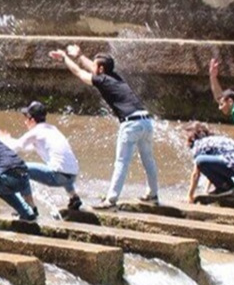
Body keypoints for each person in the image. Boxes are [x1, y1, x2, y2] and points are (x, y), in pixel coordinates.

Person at [50, 43, 159, 209]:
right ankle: (153, 193)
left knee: (121, 163)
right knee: (148, 160)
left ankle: (111, 200)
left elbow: (80, 73)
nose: (93, 67)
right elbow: (91, 68)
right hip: (145, 121)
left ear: (100, 69)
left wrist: (65, 58)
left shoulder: (101, 80)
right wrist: (79, 56)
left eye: (95, 65)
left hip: (130, 124)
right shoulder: (115, 77)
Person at [0, 101, 83, 212]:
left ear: (32, 120)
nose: (25, 122)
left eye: (26, 119)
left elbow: (14, 148)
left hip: (58, 176)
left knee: (19, 170)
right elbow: (27, 148)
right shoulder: (52, 129)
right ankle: (74, 197)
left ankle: (29, 207)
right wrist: (8, 139)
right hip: (72, 176)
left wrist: (2, 139)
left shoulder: (36, 132)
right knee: (62, 165)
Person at [183, 121, 234, 201]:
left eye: (185, 137)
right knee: (204, 162)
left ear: (191, 137)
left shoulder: (198, 145)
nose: (185, 140)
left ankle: (224, 187)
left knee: (199, 161)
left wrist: (190, 196)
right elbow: (212, 169)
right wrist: (206, 190)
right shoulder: (211, 141)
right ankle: (229, 185)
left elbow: (196, 174)